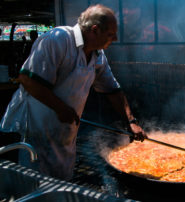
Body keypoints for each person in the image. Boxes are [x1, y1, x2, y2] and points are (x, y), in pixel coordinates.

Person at [0, 4, 147, 181]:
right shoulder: (58, 40)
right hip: (35, 129)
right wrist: (61, 108)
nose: (115, 38)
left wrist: (130, 121)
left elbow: (112, 90)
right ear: (95, 30)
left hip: (64, 132)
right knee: (34, 183)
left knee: (61, 182)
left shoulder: (97, 55)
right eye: (110, 34)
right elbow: (28, 80)